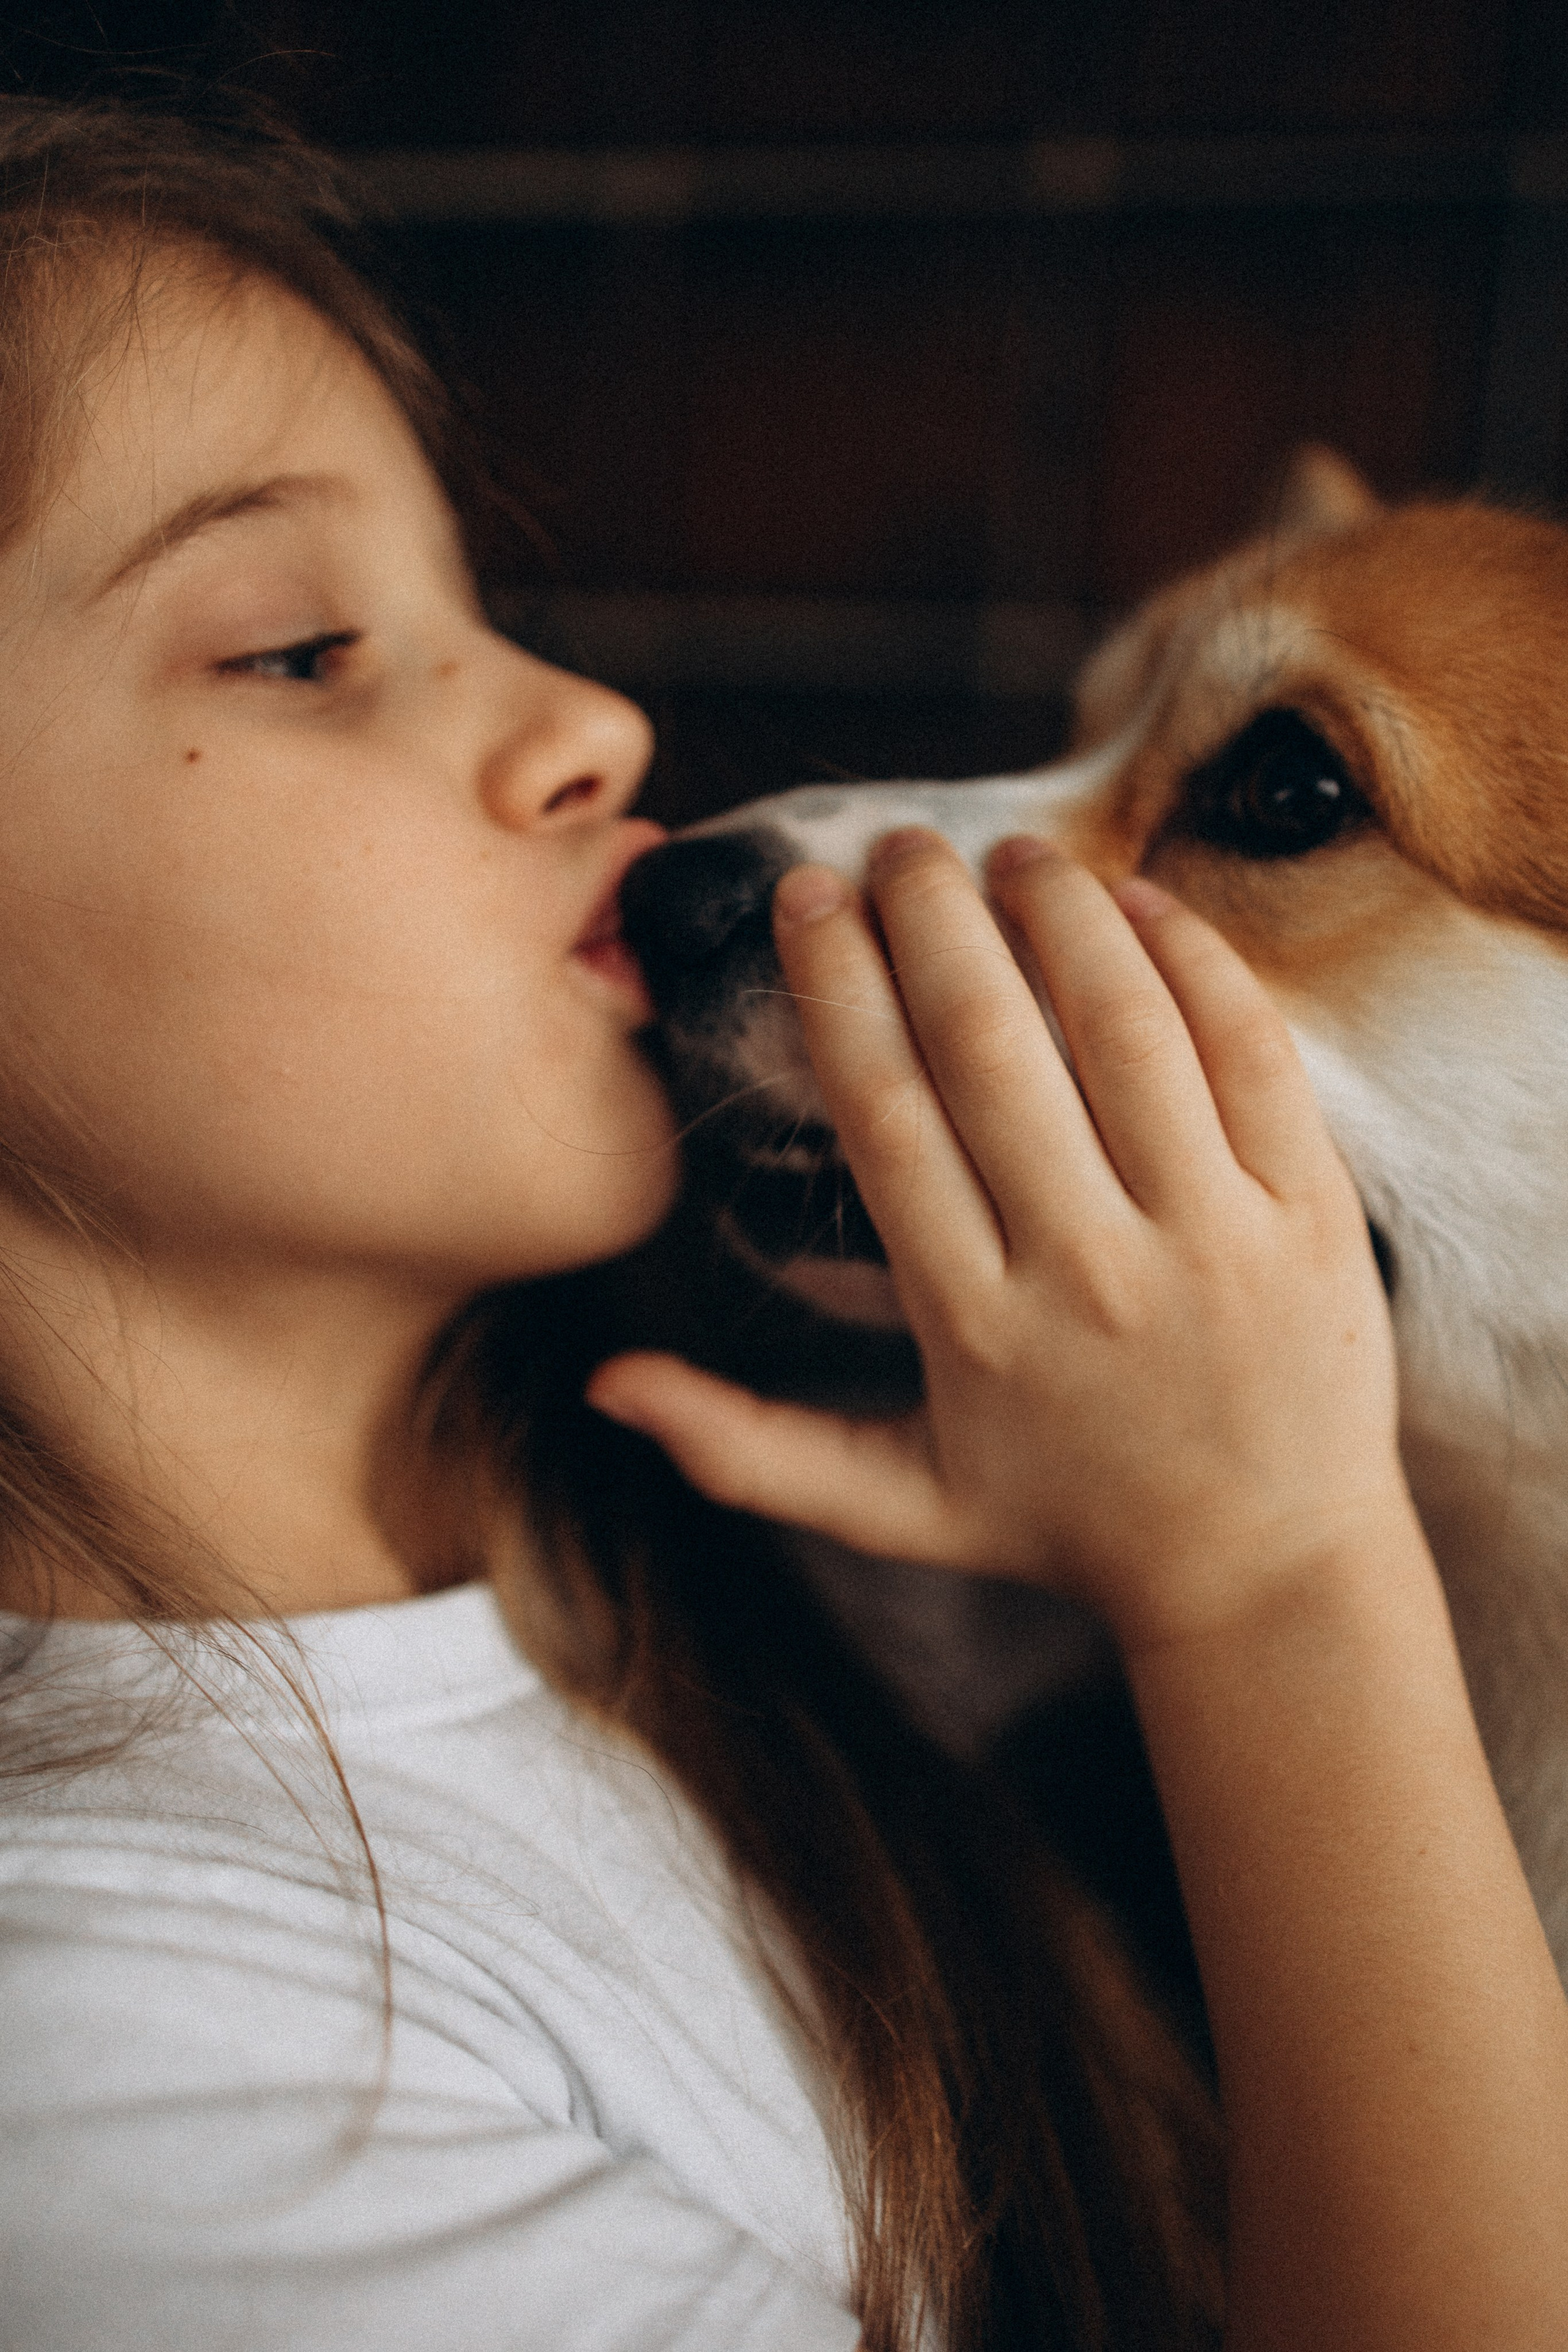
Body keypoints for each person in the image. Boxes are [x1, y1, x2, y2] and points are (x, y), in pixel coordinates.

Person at [0, 90, 1562, 2352]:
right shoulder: (123, 2054)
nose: (604, 723)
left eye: (1281, 791)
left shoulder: (781, 1597)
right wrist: (1260, 1586)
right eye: (296, 646)